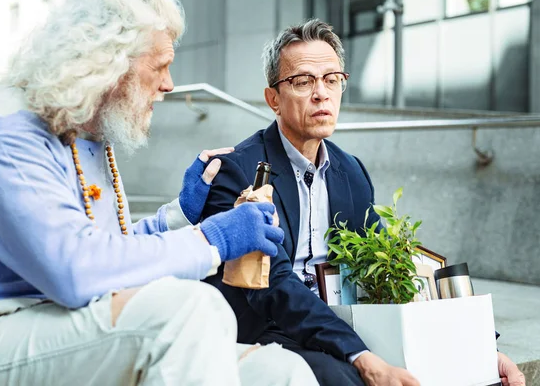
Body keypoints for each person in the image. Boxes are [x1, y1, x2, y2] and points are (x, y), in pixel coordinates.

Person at [0, 0, 319, 385]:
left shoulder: (85, 126)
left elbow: (105, 251)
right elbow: (76, 270)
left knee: (280, 369)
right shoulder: (9, 128)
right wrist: (211, 240)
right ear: (110, 62)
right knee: (190, 312)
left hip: (64, 322)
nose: (170, 84)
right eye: (161, 65)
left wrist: (178, 217)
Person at [202, 19, 526, 386]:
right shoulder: (237, 172)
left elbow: (392, 262)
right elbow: (271, 286)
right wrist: (361, 355)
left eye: (332, 79)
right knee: (351, 380)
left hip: (341, 320)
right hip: (267, 327)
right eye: (303, 81)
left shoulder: (350, 170)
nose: (321, 93)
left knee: (477, 373)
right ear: (273, 98)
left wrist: (478, 345)